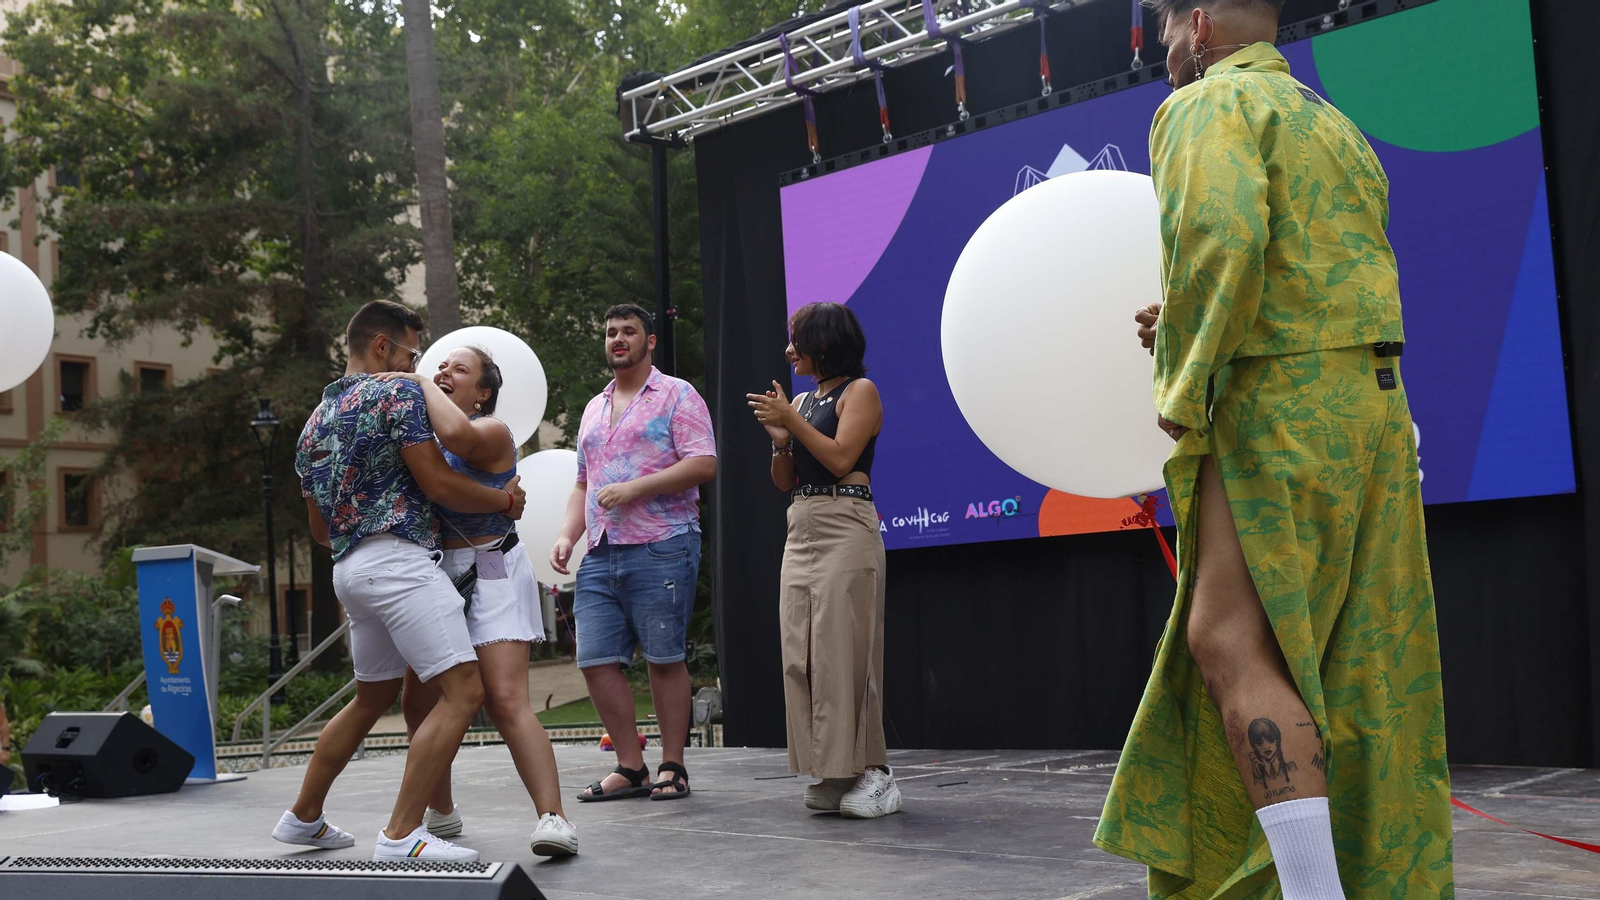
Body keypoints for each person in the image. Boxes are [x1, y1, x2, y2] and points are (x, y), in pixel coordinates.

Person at [1094, 3, 1452, 899]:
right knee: (1357, 666)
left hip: (1280, 407)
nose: (1167, 53)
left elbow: (1227, 239)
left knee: (1226, 638)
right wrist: (1183, 319)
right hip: (1370, 406)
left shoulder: (1206, 104)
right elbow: (1309, 262)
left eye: (1171, 32)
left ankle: (1311, 891)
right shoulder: (1334, 124)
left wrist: (1183, 379)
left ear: (1201, 24)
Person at [276, 300, 526, 862]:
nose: (421, 365)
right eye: (415, 352)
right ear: (383, 347)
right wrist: (504, 501)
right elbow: (438, 481)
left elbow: (319, 528)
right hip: (399, 564)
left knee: (371, 697)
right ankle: (402, 835)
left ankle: (303, 817)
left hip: (348, 572)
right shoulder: (398, 391)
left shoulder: (313, 424)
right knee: (465, 692)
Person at [374, 345, 578, 857]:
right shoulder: (420, 436)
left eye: (458, 371)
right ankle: (440, 811)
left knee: (506, 699)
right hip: (435, 573)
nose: (443, 373)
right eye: (440, 367)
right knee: (418, 702)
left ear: (483, 393)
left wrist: (419, 380)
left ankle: (554, 819)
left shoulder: (491, 431)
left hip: (492, 567)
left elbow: (458, 436)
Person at [551, 303, 716, 802]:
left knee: (663, 659)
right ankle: (631, 766)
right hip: (601, 550)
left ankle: (673, 766)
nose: (617, 339)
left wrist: (635, 489)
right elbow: (583, 483)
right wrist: (566, 535)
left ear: (650, 342)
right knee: (595, 659)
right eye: (610, 333)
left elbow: (704, 463)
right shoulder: (593, 407)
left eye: (628, 331)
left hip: (663, 542)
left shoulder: (677, 395)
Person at [746, 301, 897, 818]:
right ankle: (837, 771)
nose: (789, 349)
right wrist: (780, 444)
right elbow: (786, 480)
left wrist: (792, 419)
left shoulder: (861, 392)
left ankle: (876, 772)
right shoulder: (806, 400)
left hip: (846, 524)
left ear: (825, 343)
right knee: (803, 653)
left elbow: (839, 458)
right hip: (802, 524)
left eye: (797, 339)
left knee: (847, 649)